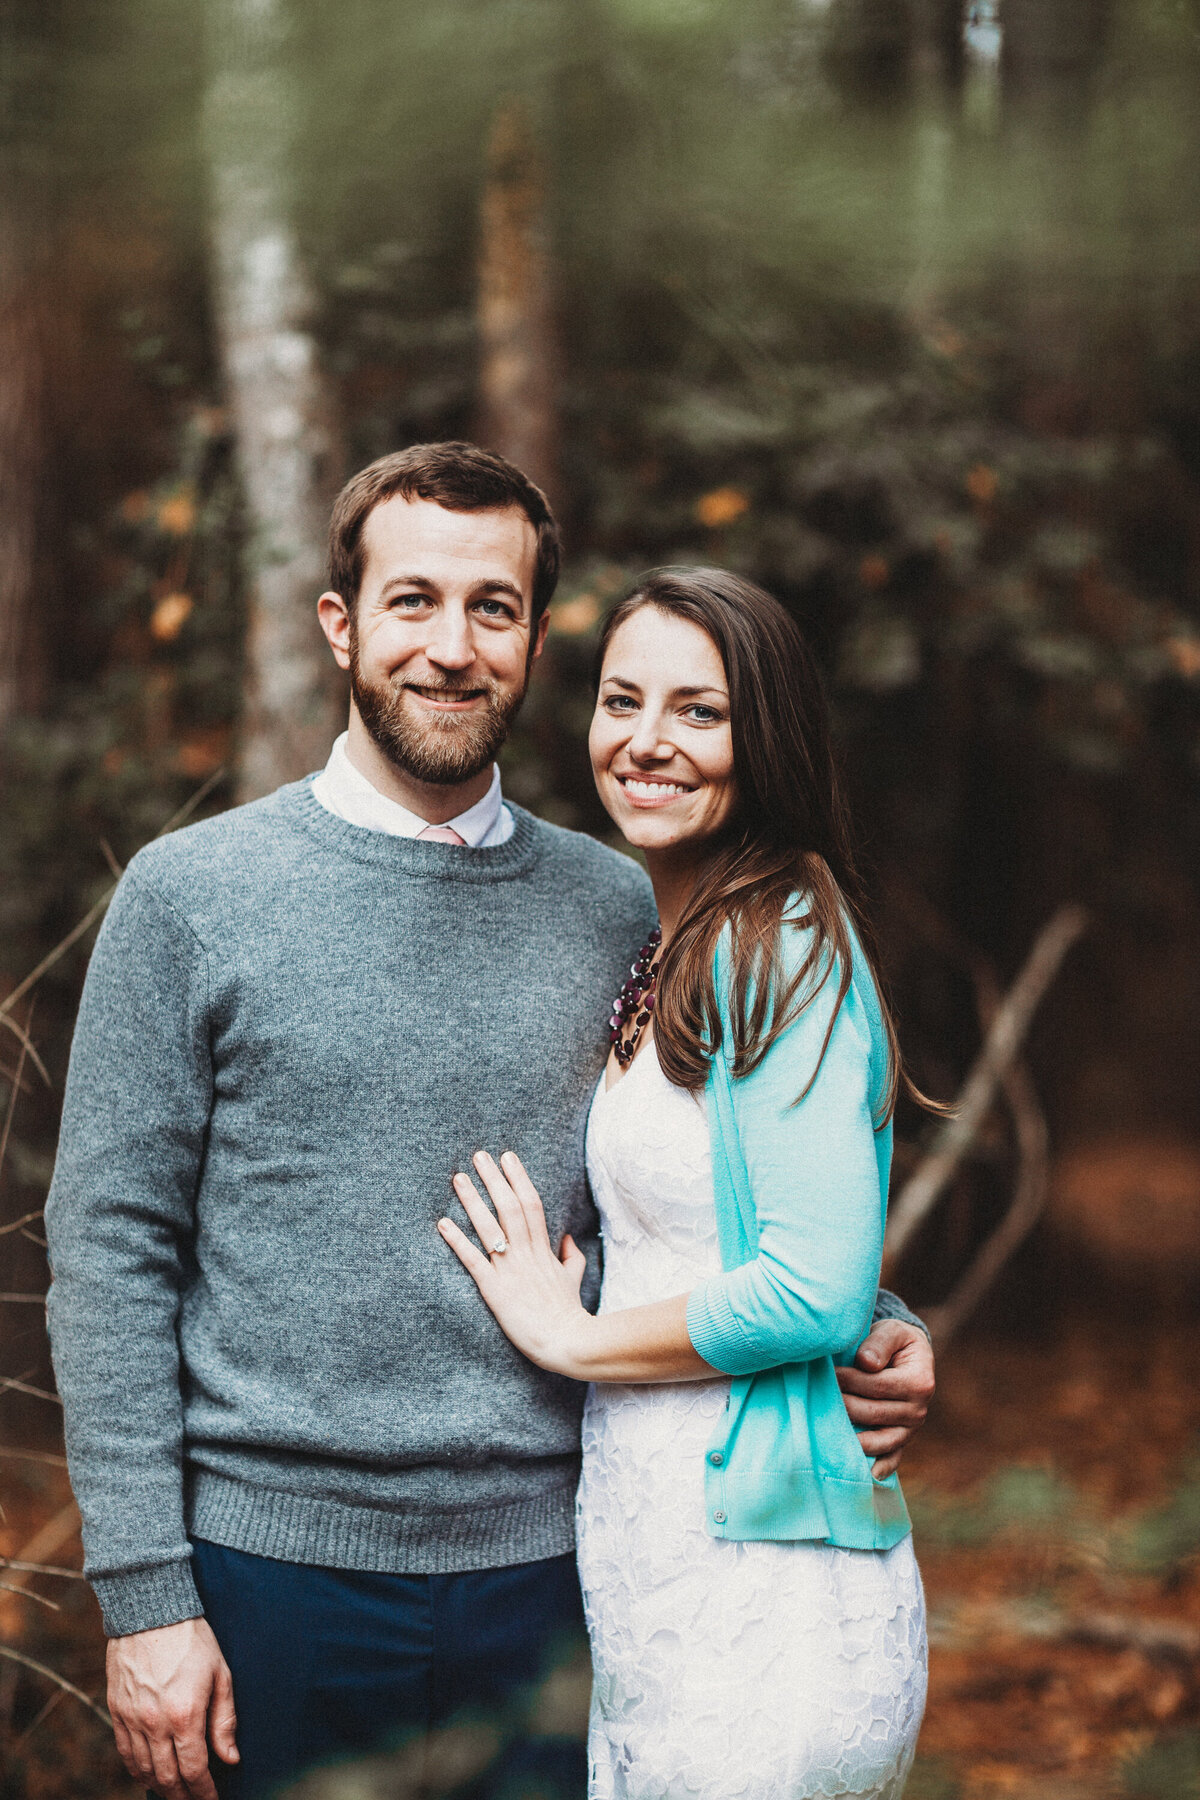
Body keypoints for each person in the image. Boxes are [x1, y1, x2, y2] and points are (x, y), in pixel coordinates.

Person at [44, 445, 933, 1800]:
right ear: (342, 625)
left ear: (532, 640)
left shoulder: (625, 909)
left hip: (559, 1580)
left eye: (494, 609)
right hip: (271, 1583)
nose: (451, 648)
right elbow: (108, 1254)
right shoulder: (189, 898)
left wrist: (877, 1321)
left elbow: (713, 1187)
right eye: (412, 602)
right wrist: (147, 1596)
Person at [438, 568, 931, 1800]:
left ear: (763, 736)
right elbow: (754, 1226)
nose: (648, 742)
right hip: (666, 1552)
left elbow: (812, 1291)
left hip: (766, 1580)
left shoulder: (786, 945)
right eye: (623, 699)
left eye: (699, 713)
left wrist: (572, 1336)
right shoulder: (687, 934)